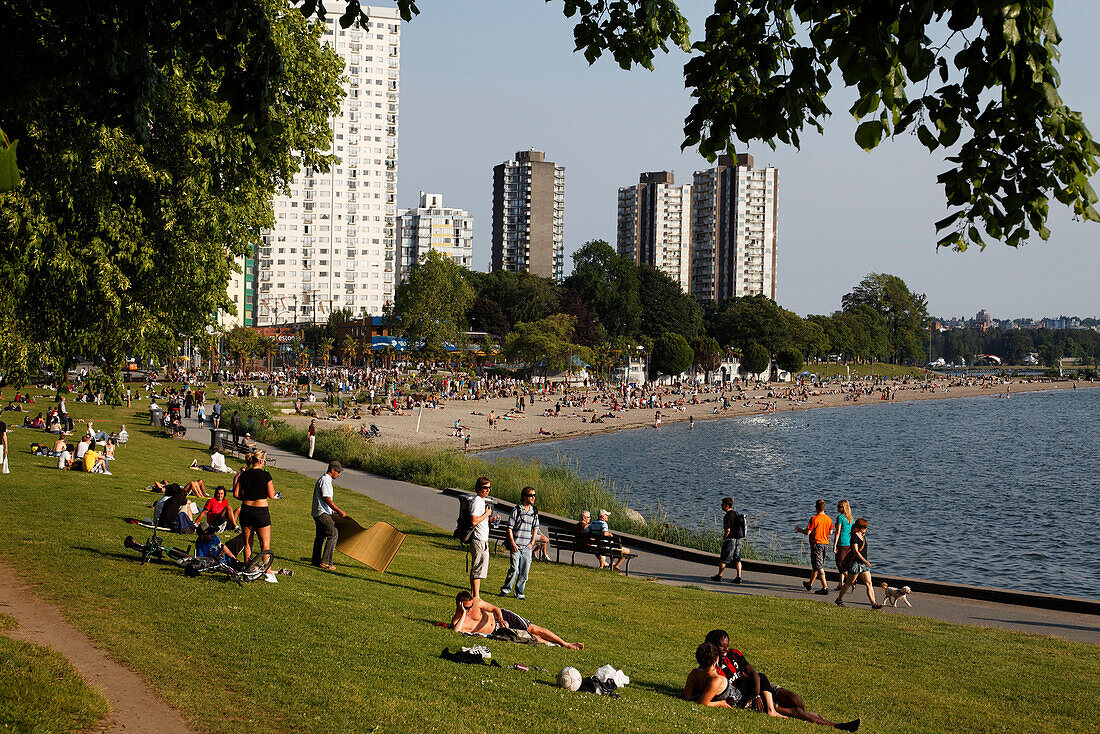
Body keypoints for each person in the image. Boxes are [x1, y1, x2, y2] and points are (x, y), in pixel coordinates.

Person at [700, 630, 861, 730]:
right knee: (797, 712)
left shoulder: (734, 654)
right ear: (713, 646)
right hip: (746, 697)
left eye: (727, 645)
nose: (726, 649)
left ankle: (806, 714)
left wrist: (758, 695)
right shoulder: (711, 667)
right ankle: (837, 726)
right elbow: (710, 689)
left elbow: (756, 675)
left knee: (797, 700)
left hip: (759, 687)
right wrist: (755, 699)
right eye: (722, 646)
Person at [450, 591, 583, 650]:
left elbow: (495, 608)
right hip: (498, 631)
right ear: (459, 605)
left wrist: (501, 619)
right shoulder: (459, 620)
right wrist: (463, 613)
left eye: (470, 606)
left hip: (502, 618)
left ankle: (565, 643)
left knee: (533, 629)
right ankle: (554, 644)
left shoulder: (476, 602)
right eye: (466, 607)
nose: (469, 609)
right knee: (530, 638)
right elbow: (455, 630)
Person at [683, 641, 782, 714]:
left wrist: (699, 696)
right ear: (715, 659)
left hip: (739, 691)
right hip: (742, 699)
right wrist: (720, 703)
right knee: (761, 677)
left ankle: (773, 708)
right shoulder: (716, 679)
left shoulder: (694, 673)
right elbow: (703, 703)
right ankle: (771, 710)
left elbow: (686, 696)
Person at [233, 450, 275, 563]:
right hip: (261, 510)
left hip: (246, 509)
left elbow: (236, 494)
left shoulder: (244, 474)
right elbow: (271, 495)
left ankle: (247, 568)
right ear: (261, 461)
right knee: (264, 544)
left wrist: (246, 498)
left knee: (247, 543)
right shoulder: (266, 475)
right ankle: (268, 571)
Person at [499, 486, 540, 599]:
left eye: (534, 495)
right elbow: (510, 527)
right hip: (516, 545)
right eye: (531, 495)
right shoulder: (516, 510)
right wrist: (512, 543)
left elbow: (535, 528)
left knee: (524, 572)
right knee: (514, 569)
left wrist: (532, 542)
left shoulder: (534, 511)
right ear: (524, 497)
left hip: (527, 546)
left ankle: (519, 593)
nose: (533, 498)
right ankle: (506, 589)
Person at [835, 518, 882, 609]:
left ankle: (874, 603)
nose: (866, 529)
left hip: (863, 564)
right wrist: (865, 561)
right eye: (865, 527)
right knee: (849, 583)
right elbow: (856, 551)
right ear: (860, 527)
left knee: (869, 583)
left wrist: (864, 562)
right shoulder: (854, 537)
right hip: (855, 564)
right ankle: (839, 599)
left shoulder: (862, 535)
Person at [311, 461, 347, 570]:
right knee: (333, 533)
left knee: (321, 536)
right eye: (338, 472)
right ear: (332, 470)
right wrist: (339, 510)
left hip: (318, 512)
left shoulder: (325, 480)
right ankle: (325, 562)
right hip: (322, 513)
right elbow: (327, 499)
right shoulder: (325, 480)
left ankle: (316, 561)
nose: (339, 474)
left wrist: (332, 512)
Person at [796, 499, 834, 595]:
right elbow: (830, 532)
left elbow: (808, 532)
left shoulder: (814, 519)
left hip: (817, 544)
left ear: (816, 508)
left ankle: (825, 587)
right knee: (816, 566)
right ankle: (809, 584)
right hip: (825, 544)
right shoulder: (829, 519)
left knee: (819, 566)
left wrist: (800, 530)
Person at [467, 476, 493, 598]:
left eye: (489, 487)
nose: (488, 490)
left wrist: (489, 518)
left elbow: (479, 519)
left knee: (478, 569)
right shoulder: (477, 501)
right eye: (485, 488)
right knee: (477, 569)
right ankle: (476, 596)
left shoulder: (481, 501)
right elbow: (473, 521)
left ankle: (474, 594)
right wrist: (486, 514)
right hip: (478, 539)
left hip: (481, 539)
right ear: (479, 488)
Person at [711, 497, 744, 583]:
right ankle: (739, 576)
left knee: (724, 559)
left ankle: (719, 576)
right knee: (737, 559)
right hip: (738, 539)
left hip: (730, 540)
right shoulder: (736, 513)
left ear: (727, 506)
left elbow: (728, 530)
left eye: (722, 504)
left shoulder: (727, 516)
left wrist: (724, 538)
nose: (721, 506)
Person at [831, 500, 854, 588]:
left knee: (840, 564)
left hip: (842, 542)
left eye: (839, 506)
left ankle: (851, 581)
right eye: (837, 506)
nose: (837, 508)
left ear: (844, 508)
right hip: (849, 543)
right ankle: (840, 584)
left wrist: (834, 545)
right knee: (844, 563)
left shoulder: (840, 518)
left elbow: (837, 532)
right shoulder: (851, 518)